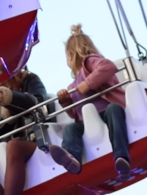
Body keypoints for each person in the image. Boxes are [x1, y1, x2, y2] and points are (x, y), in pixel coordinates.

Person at [53, 24, 133, 179]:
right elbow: (74, 114)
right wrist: (66, 101)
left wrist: (88, 84)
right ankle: (72, 158)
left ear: (70, 55)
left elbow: (108, 66)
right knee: (71, 129)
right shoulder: (72, 86)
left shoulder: (89, 63)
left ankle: (121, 156)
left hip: (107, 114)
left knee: (113, 109)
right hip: (88, 124)